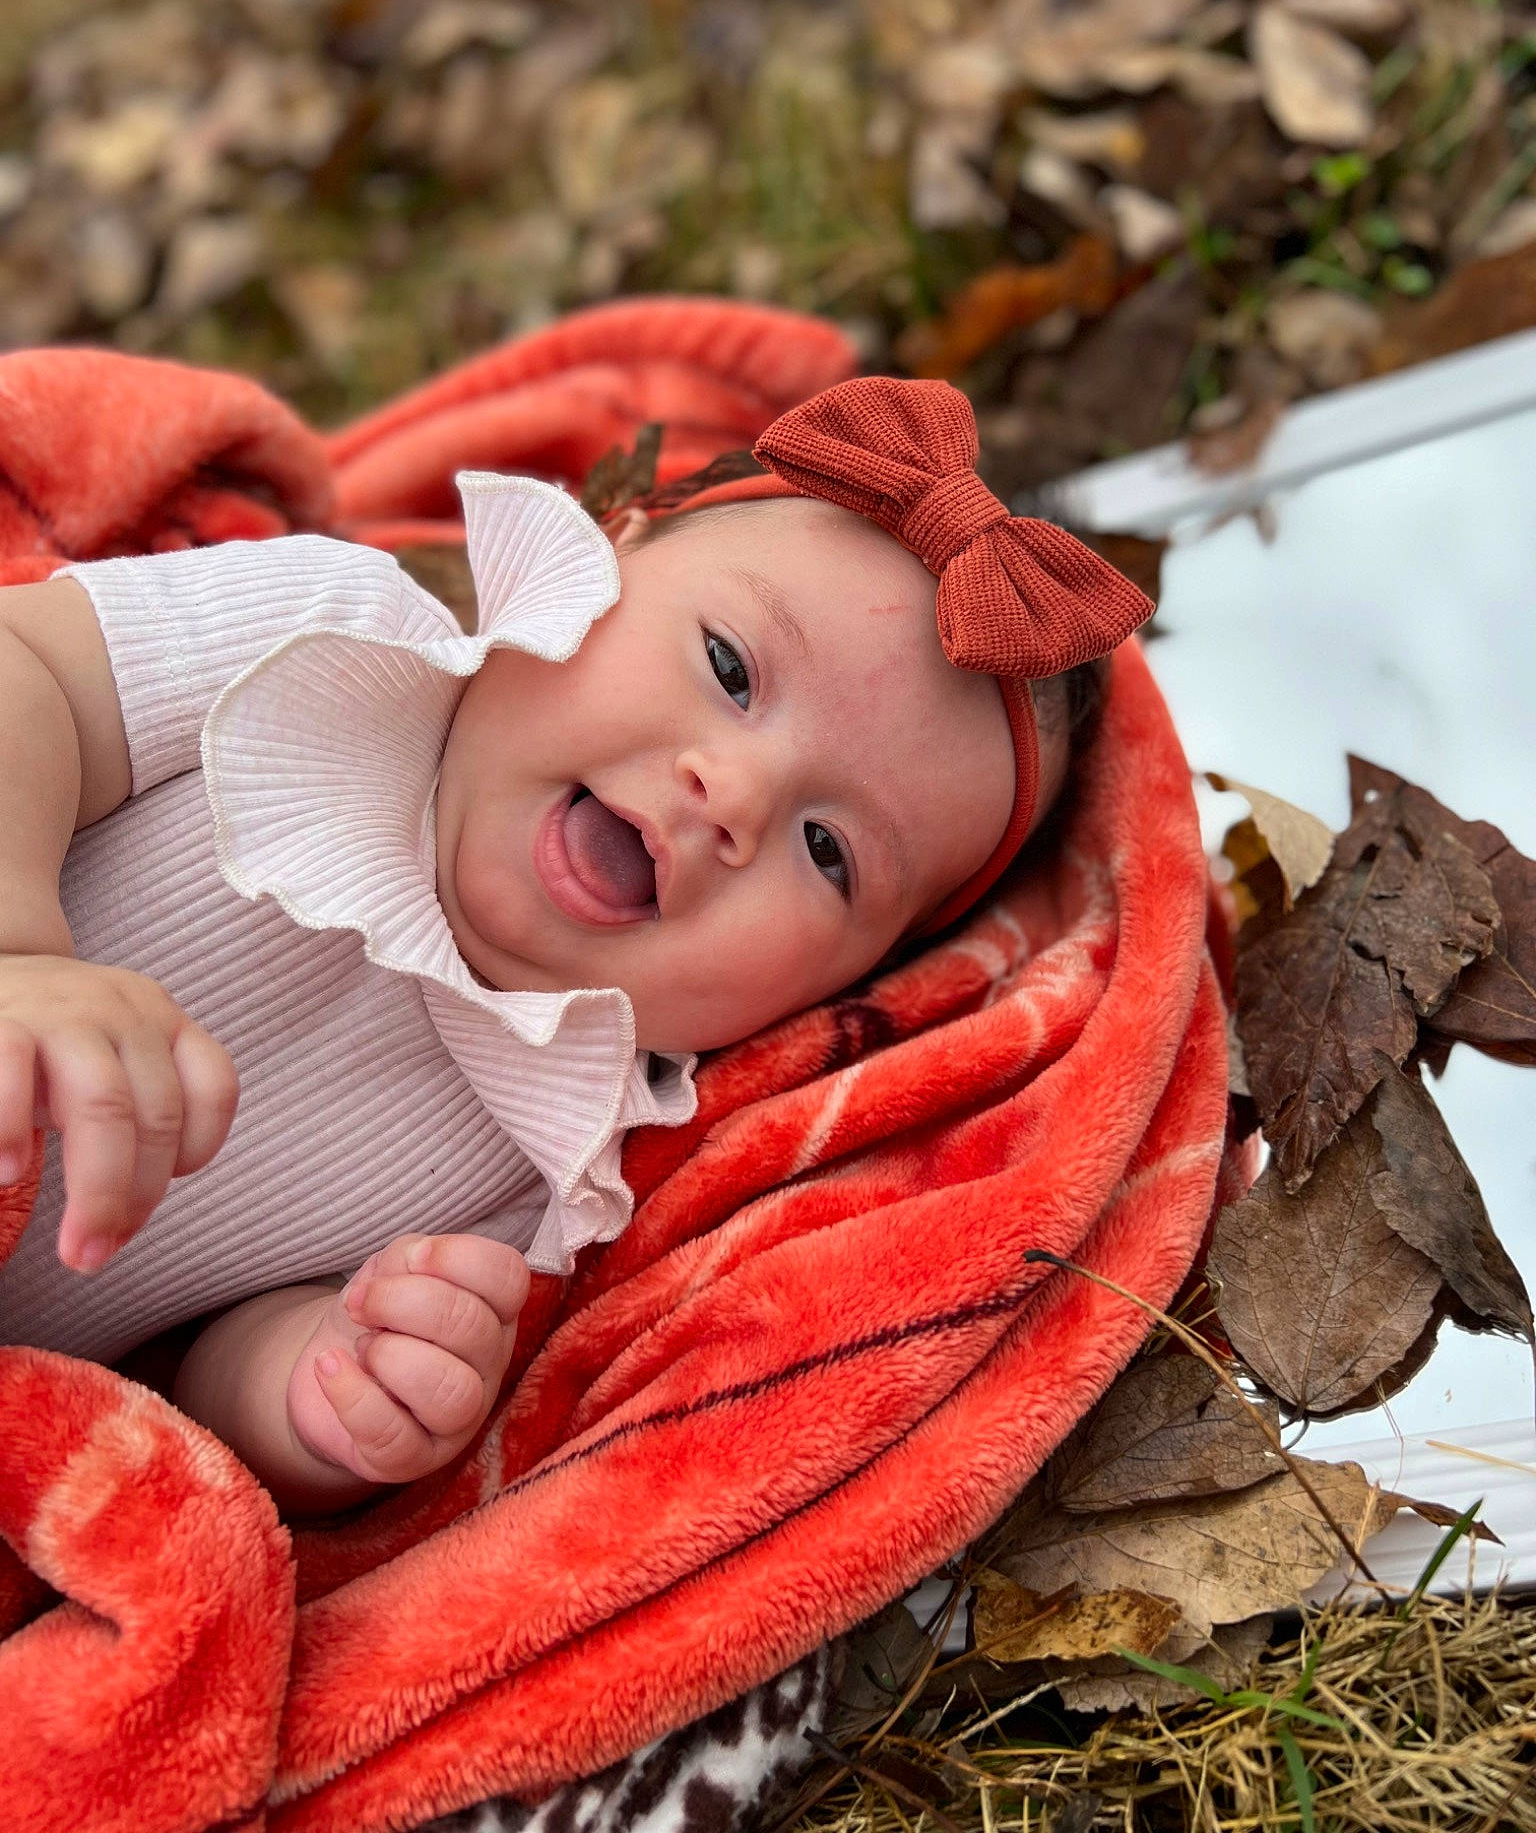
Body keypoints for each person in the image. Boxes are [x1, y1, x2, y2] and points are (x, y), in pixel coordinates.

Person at [0, 375, 1150, 1513]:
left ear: (835, 993)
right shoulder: (328, 636)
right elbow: (28, 670)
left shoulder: (559, 1151)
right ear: (604, 552)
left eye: (829, 849)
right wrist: (22, 952)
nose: (731, 793)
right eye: (731, 668)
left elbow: (187, 1359)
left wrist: (325, 1379)